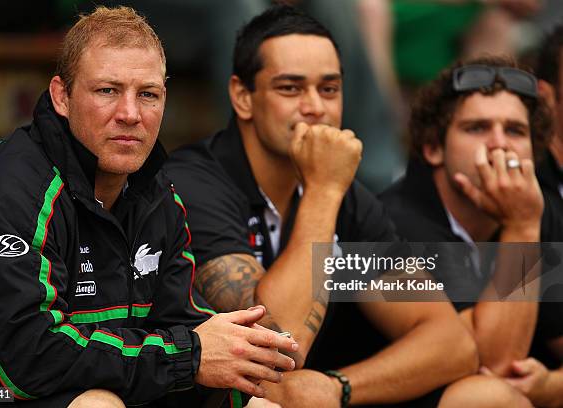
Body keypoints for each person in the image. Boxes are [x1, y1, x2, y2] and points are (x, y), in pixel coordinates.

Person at [162, 5, 525, 407]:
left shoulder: (344, 195)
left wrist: (339, 387)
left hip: (314, 394)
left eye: (329, 89)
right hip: (210, 397)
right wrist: (322, 191)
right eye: (290, 88)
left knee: (486, 395)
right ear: (242, 97)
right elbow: (282, 346)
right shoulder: (197, 183)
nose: (315, 106)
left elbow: (453, 345)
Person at [0, 6, 299, 408]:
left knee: (260, 402)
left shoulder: (156, 192)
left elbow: (180, 323)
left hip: (98, 379)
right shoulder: (9, 188)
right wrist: (190, 355)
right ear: (61, 96)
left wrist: (229, 356)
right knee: (98, 404)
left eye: (147, 94)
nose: (130, 114)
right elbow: (28, 357)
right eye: (107, 91)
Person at [379, 55, 563, 407]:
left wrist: (552, 385)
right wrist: (522, 228)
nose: (499, 144)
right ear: (433, 149)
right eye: (477, 128)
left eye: (515, 130)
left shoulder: (539, 205)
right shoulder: (397, 220)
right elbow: (492, 364)